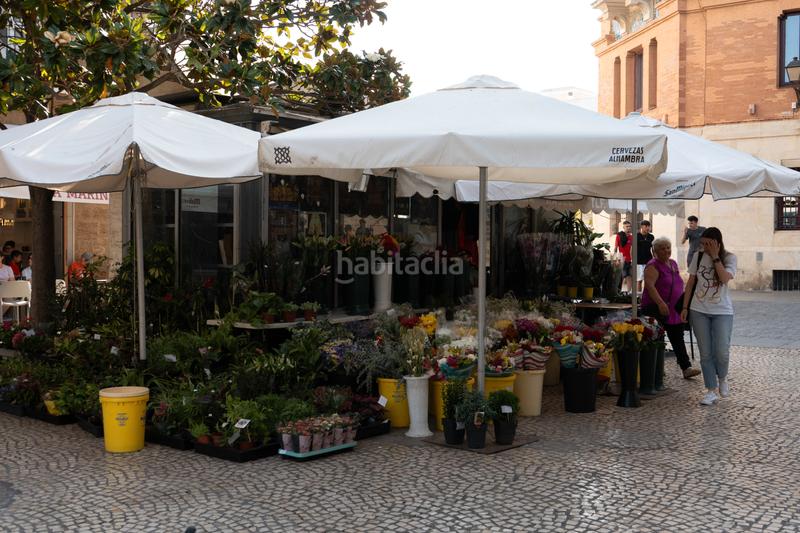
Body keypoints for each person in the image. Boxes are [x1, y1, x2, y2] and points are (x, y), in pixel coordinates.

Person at [680, 227, 737, 406]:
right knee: (705, 353)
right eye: (702, 243)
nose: (703, 246)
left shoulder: (729, 258)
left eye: (707, 243)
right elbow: (690, 283)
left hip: (722, 311)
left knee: (721, 351)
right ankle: (711, 390)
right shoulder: (697, 256)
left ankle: (722, 378)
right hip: (699, 310)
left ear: (717, 243)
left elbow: (725, 278)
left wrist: (715, 256)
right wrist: (685, 307)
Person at [642, 237, 701, 379]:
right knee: (657, 338)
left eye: (668, 247)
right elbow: (649, 286)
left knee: (678, 338)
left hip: (674, 308)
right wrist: (661, 303)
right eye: (663, 248)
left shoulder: (673, 263)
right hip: (656, 307)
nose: (666, 250)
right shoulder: (652, 266)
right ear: (655, 251)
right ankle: (656, 369)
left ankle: (686, 368)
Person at [613, 220, 633, 292]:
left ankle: (629, 292)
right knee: (621, 276)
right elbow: (615, 248)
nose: (628, 228)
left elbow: (633, 249)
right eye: (627, 226)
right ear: (623, 227)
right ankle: (618, 291)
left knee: (630, 276)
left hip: (630, 260)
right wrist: (615, 259)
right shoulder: (619, 236)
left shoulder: (631, 237)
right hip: (621, 259)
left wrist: (633, 260)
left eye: (630, 226)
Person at [636, 220, 654, 293]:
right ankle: (638, 296)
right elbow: (632, 249)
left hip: (648, 260)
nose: (647, 228)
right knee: (639, 280)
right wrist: (632, 260)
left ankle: (646, 296)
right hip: (638, 261)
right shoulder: (637, 236)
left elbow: (653, 249)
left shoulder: (651, 237)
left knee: (648, 280)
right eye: (646, 226)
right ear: (641, 227)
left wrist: (655, 259)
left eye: (648, 226)